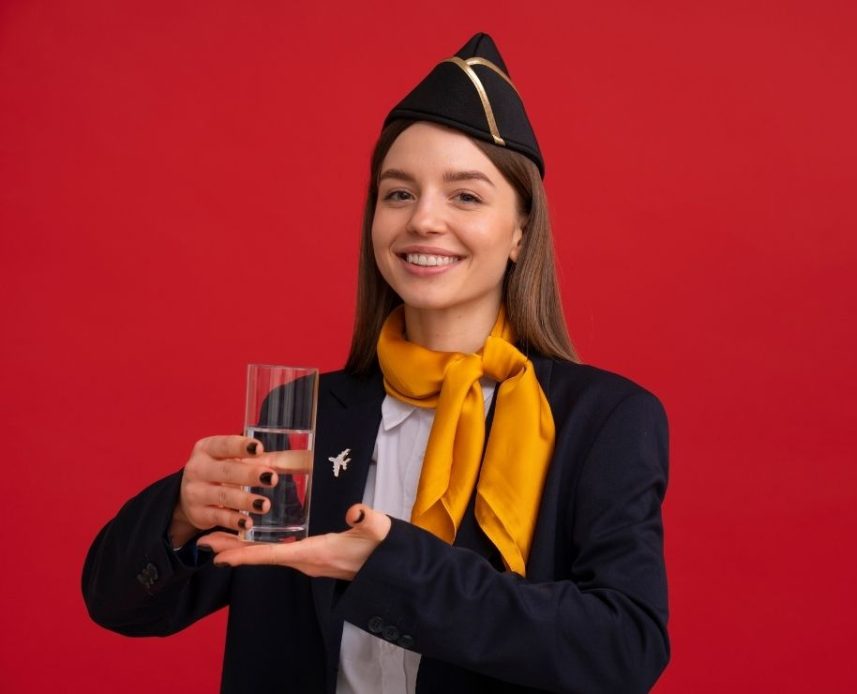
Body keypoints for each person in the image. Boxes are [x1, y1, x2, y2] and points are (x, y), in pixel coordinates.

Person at [82, 33, 670, 694]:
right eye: (397, 193)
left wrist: (393, 569)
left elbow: (624, 649)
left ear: (521, 230)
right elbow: (121, 606)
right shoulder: (302, 413)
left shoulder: (604, 420)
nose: (423, 220)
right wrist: (181, 515)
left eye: (465, 197)